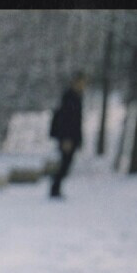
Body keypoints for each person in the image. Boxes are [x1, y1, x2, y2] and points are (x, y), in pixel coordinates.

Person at [49, 71, 86, 199]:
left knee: (66, 163)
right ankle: (54, 188)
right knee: (65, 163)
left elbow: (77, 121)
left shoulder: (77, 97)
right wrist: (66, 139)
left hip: (72, 137)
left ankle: (56, 187)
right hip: (67, 138)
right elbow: (65, 120)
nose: (82, 85)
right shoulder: (69, 97)